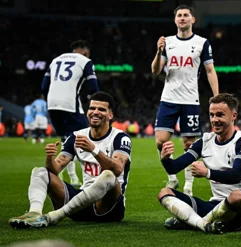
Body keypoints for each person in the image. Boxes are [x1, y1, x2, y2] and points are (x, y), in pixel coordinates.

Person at [9, 92, 131, 229]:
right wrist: (49, 159)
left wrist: (94, 149)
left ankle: (54, 217)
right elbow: (56, 169)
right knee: (40, 172)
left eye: (101, 109)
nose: (95, 112)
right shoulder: (76, 136)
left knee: (108, 175)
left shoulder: (120, 138)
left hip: (109, 208)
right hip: (80, 205)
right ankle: (34, 214)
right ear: (87, 112)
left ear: (110, 115)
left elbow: (118, 168)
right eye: (92, 108)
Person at [158, 93, 241, 234]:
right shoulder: (205, 141)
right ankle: (204, 224)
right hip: (215, 205)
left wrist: (207, 173)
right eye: (212, 115)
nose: (214, 120)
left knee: (237, 196)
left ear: (233, 116)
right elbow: (175, 167)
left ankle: (191, 220)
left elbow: (237, 175)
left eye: (220, 115)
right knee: (164, 192)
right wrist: (165, 159)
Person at [151, 5, 219, 195]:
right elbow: (156, 71)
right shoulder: (167, 42)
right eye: (179, 15)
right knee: (160, 141)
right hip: (169, 98)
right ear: (175, 20)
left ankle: (189, 184)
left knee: (189, 144)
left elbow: (210, 70)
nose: (182, 18)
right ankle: (172, 178)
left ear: (192, 19)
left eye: (186, 15)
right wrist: (158, 52)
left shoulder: (202, 43)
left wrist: (216, 97)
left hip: (190, 99)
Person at [41, 40, 99, 187]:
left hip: (52, 105)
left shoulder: (56, 60)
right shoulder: (85, 61)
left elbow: (43, 87)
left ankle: (70, 177)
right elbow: (93, 87)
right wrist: (90, 98)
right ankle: (89, 179)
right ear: (86, 52)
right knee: (84, 139)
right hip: (70, 105)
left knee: (66, 141)